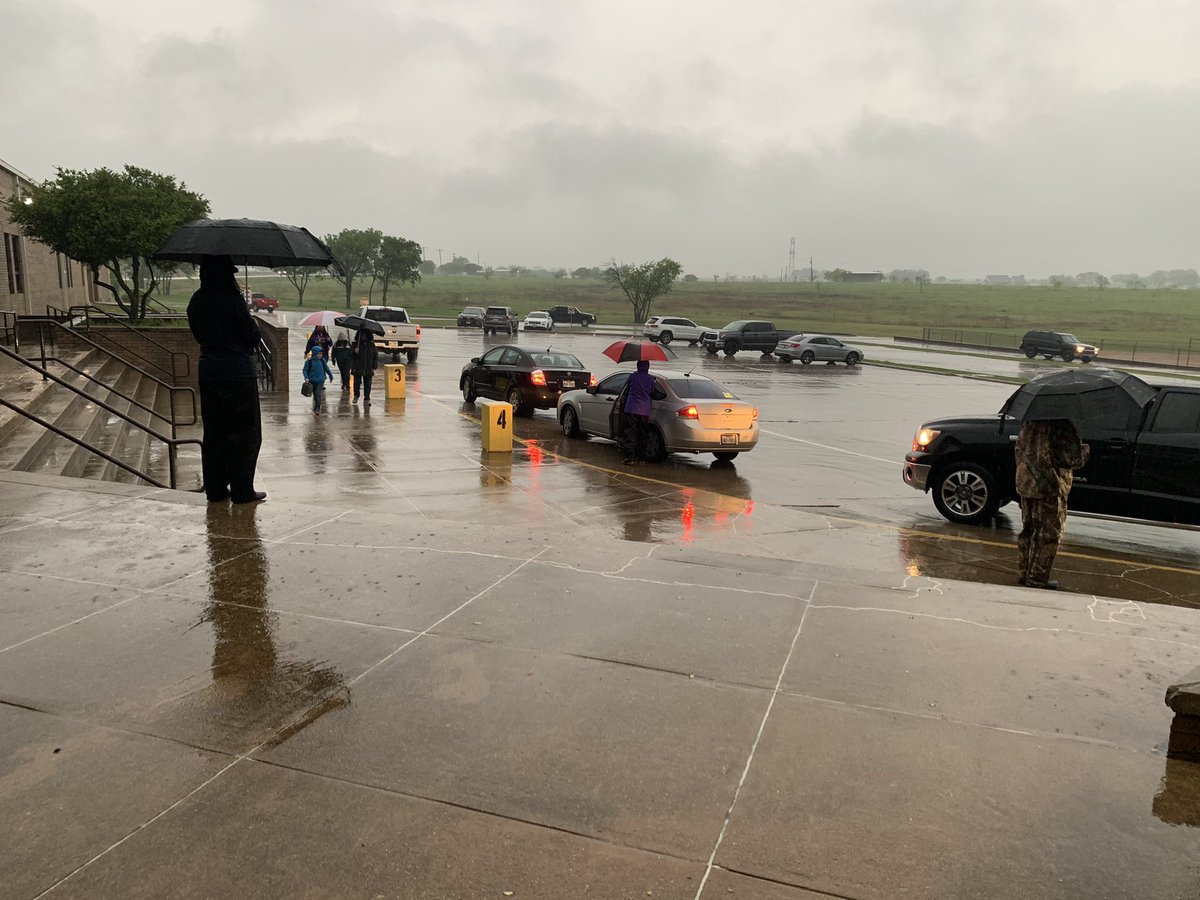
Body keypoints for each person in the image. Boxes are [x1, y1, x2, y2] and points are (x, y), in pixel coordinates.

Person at [186, 255, 266, 504]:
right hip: (238, 372)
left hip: (209, 371)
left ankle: (216, 489)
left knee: (215, 433)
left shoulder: (197, 301)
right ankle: (243, 490)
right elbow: (252, 338)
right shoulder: (233, 301)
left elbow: (199, 334)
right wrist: (251, 323)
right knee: (245, 433)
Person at [1015, 418, 1089, 590]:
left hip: (1026, 482)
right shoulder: (1063, 426)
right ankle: (1037, 579)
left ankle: (1024, 572)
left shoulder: (1030, 422)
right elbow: (1072, 459)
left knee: (1029, 529)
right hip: (1049, 486)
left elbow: (1019, 449)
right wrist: (1084, 450)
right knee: (1048, 534)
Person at [618, 359, 655, 465]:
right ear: (648, 367)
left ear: (638, 365)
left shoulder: (633, 376)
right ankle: (641, 457)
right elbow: (652, 392)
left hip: (631, 408)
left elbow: (627, 388)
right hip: (644, 411)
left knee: (630, 433)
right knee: (643, 433)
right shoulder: (651, 379)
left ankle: (630, 458)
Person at [303, 345, 334, 415]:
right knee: (315, 394)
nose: (320, 355)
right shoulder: (309, 362)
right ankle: (316, 405)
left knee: (318, 394)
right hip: (312, 381)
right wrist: (306, 378)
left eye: (321, 354)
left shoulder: (322, 361)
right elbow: (304, 370)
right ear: (314, 353)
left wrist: (330, 376)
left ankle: (318, 407)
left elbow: (326, 368)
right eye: (319, 354)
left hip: (320, 381)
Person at [352, 330, 379, 406]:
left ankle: (367, 398)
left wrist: (374, 366)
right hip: (358, 367)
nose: (364, 337)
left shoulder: (371, 345)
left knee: (368, 384)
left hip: (368, 367)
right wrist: (354, 352)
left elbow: (375, 356)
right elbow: (351, 356)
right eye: (362, 335)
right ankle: (356, 395)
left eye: (365, 335)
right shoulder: (356, 344)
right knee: (357, 383)